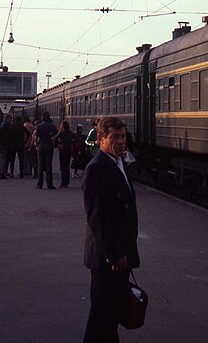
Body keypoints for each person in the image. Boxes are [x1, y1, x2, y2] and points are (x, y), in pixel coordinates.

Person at [82, 117, 140, 343]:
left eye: (123, 136)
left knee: (109, 317)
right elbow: (98, 219)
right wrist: (114, 255)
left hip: (120, 254)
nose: (120, 141)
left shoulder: (118, 163)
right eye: (114, 137)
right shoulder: (97, 169)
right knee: (101, 318)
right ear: (100, 140)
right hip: (108, 258)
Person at [35, 111, 58, 189]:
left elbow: (36, 137)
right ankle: (49, 184)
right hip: (49, 145)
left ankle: (39, 184)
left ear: (42, 117)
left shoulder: (39, 126)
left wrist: (37, 146)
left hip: (41, 145)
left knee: (40, 165)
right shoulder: (52, 126)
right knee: (49, 165)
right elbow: (56, 135)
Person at [54, 120, 75, 188]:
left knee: (62, 167)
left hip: (62, 151)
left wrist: (58, 145)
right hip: (68, 151)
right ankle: (67, 181)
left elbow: (55, 140)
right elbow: (77, 139)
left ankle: (63, 182)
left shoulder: (61, 133)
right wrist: (72, 144)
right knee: (67, 166)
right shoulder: (70, 133)